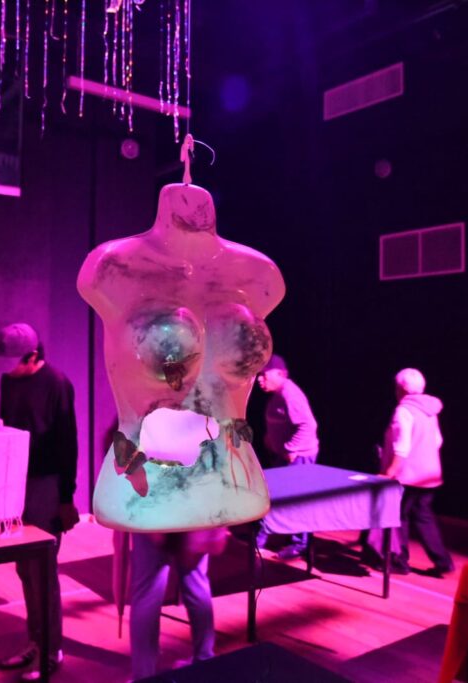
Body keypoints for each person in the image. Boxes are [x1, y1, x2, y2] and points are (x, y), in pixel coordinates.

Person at [77, 181, 285, 677]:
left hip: (223, 476)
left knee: (188, 585)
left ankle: (201, 663)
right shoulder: (112, 266)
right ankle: (147, 672)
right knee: (155, 588)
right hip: (147, 480)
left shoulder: (260, 275)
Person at [0, 322, 79, 680]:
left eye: (12, 361)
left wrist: (66, 497)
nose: (7, 369)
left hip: (46, 484)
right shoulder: (9, 381)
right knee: (23, 568)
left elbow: (68, 444)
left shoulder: (57, 384)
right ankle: (35, 640)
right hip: (17, 482)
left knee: (43, 570)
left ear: (32, 356)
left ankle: (52, 649)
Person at [379, 368, 454, 577]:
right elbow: (438, 440)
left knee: (399, 517)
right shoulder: (429, 409)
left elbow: (402, 446)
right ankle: (443, 562)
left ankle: (399, 561)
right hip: (430, 473)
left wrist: (390, 471)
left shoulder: (404, 411)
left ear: (401, 389)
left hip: (409, 475)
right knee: (423, 517)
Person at [128, 529, 224, 679]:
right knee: (196, 580)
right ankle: (204, 660)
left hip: (153, 516)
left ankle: (144, 676)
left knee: (147, 592)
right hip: (194, 518)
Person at [255, 354, 320, 559]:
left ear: (280, 374)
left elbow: (308, 425)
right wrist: (270, 438)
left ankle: (299, 545)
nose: (259, 379)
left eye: (264, 375)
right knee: (276, 496)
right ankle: (261, 540)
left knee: (295, 500)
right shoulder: (279, 394)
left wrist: (291, 449)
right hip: (286, 455)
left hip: (299, 457)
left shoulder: (290, 394)